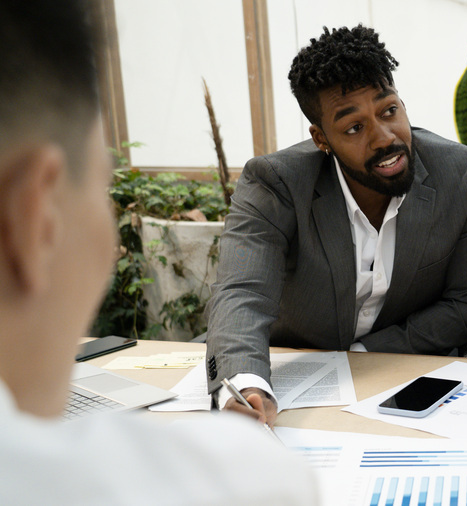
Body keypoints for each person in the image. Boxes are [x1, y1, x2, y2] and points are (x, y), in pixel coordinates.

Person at [0, 0, 317, 503]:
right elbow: (240, 290)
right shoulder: (227, 480)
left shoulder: (456, 173)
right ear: (34, 219)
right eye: (103, 190)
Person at [205, 25, 467, 424]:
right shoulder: (276, 182)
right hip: (294, 385)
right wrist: (247, 384)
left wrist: (363, 356)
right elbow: (242, 291)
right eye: (354, 128)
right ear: (321, 138)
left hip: (402, 383)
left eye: (389, 111)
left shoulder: (464, 175)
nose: (383, 137)